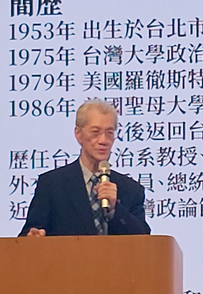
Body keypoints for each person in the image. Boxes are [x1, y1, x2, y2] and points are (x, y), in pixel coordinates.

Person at [19, 98, 151, 236]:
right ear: (78, 134)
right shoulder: (52, 184)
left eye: (109, 133)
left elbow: (144, 241)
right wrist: (33, 236)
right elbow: (28, 235)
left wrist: (114, 209)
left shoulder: (131, 189)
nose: (103, 140)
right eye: (95, 132)